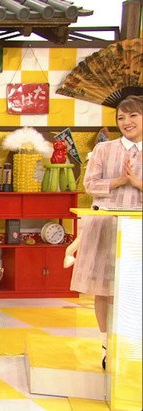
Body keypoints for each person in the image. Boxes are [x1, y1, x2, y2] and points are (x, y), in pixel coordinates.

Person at [69, 94, 142, 369]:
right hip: (106, 226)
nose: (126, 122)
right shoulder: (104, 149)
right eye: (121, 117)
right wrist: (119, 181)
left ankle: (132, 342)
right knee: (104, 288)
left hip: (137, 229)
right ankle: (106, 345)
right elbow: (90, 185)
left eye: (133, 115)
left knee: (134, 287)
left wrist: (137, 183)